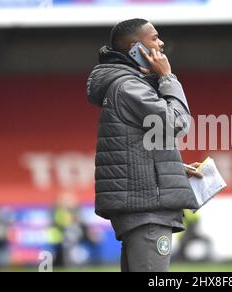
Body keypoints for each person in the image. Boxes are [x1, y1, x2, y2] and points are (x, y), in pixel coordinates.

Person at [86, 18, 202, 272]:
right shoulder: (129, 86)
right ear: (135, 49)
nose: (161, 43)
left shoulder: (128, 84)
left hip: (143, 206)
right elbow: (177, 123)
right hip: (147, 209)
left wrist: (172, 167)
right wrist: (168, 77)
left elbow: (133, 144)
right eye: (154, 38)